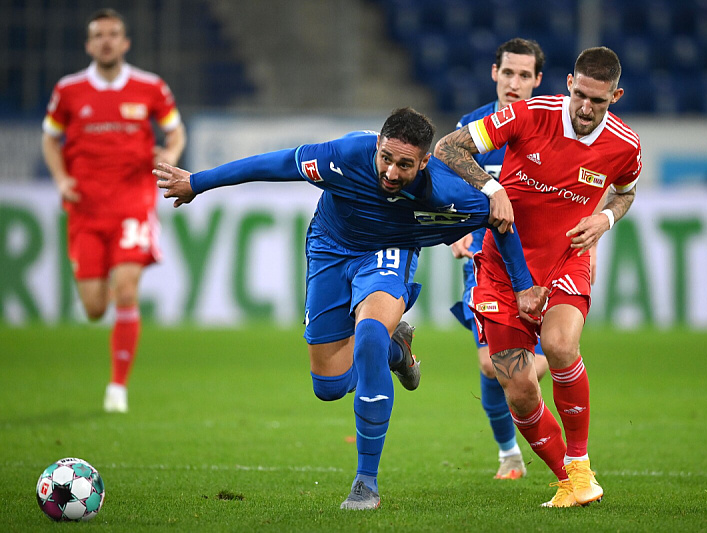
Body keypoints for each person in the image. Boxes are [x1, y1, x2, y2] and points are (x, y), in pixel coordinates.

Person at [153, 108, 548, 510]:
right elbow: (277, 163)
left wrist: (523, 288)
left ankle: (366, 484)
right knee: (328, 386)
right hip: (330, 247)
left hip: (387, 254)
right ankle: (398, 350)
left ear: (425, 162)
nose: (392, 173)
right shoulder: (342, 156)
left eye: (405, 165)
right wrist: (197, 182)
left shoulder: (448, 192)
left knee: (369, 337)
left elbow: (502, 222)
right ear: (377, 146)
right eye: (386, 159)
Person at [435, 47, 641, 507]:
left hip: (566, 260)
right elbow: (446, 148)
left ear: (616, 96)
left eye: (600, 101)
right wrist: (493, 190)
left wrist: (606, 219)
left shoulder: (626, 145)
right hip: (500, 269)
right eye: (581, 96)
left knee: (561, 346)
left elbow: (626, 192)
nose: (587, 109)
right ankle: (571, 481)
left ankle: (581, 462)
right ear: (569, 83)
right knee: (518, 386)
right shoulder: (528, 114)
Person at [41, 8, 186, 414]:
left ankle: (117, 387)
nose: (106, 41)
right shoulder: (68, 91)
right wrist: (60, 179)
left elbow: (175, 129)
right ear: (89, 45)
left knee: (126, 288)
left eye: (113, 34)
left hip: (132, 203)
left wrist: (170, 153)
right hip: (85, 209)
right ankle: (109, 322)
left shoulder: (150, 87)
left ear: (125, 43)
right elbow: (50, 140)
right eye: (98, 35)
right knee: (93, 308)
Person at [448, 37, 549, 481]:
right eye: (508, 72)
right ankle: (509, 453)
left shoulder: (550, 127)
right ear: (494, 73)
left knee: (536, 363)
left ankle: (557, 443)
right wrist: (454, 231)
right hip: (485, 264)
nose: (514, 82)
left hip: (542, 265)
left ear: (538, 80)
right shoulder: (471, 128)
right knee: (492, 366)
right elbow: (448, 188)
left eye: (524, 75)